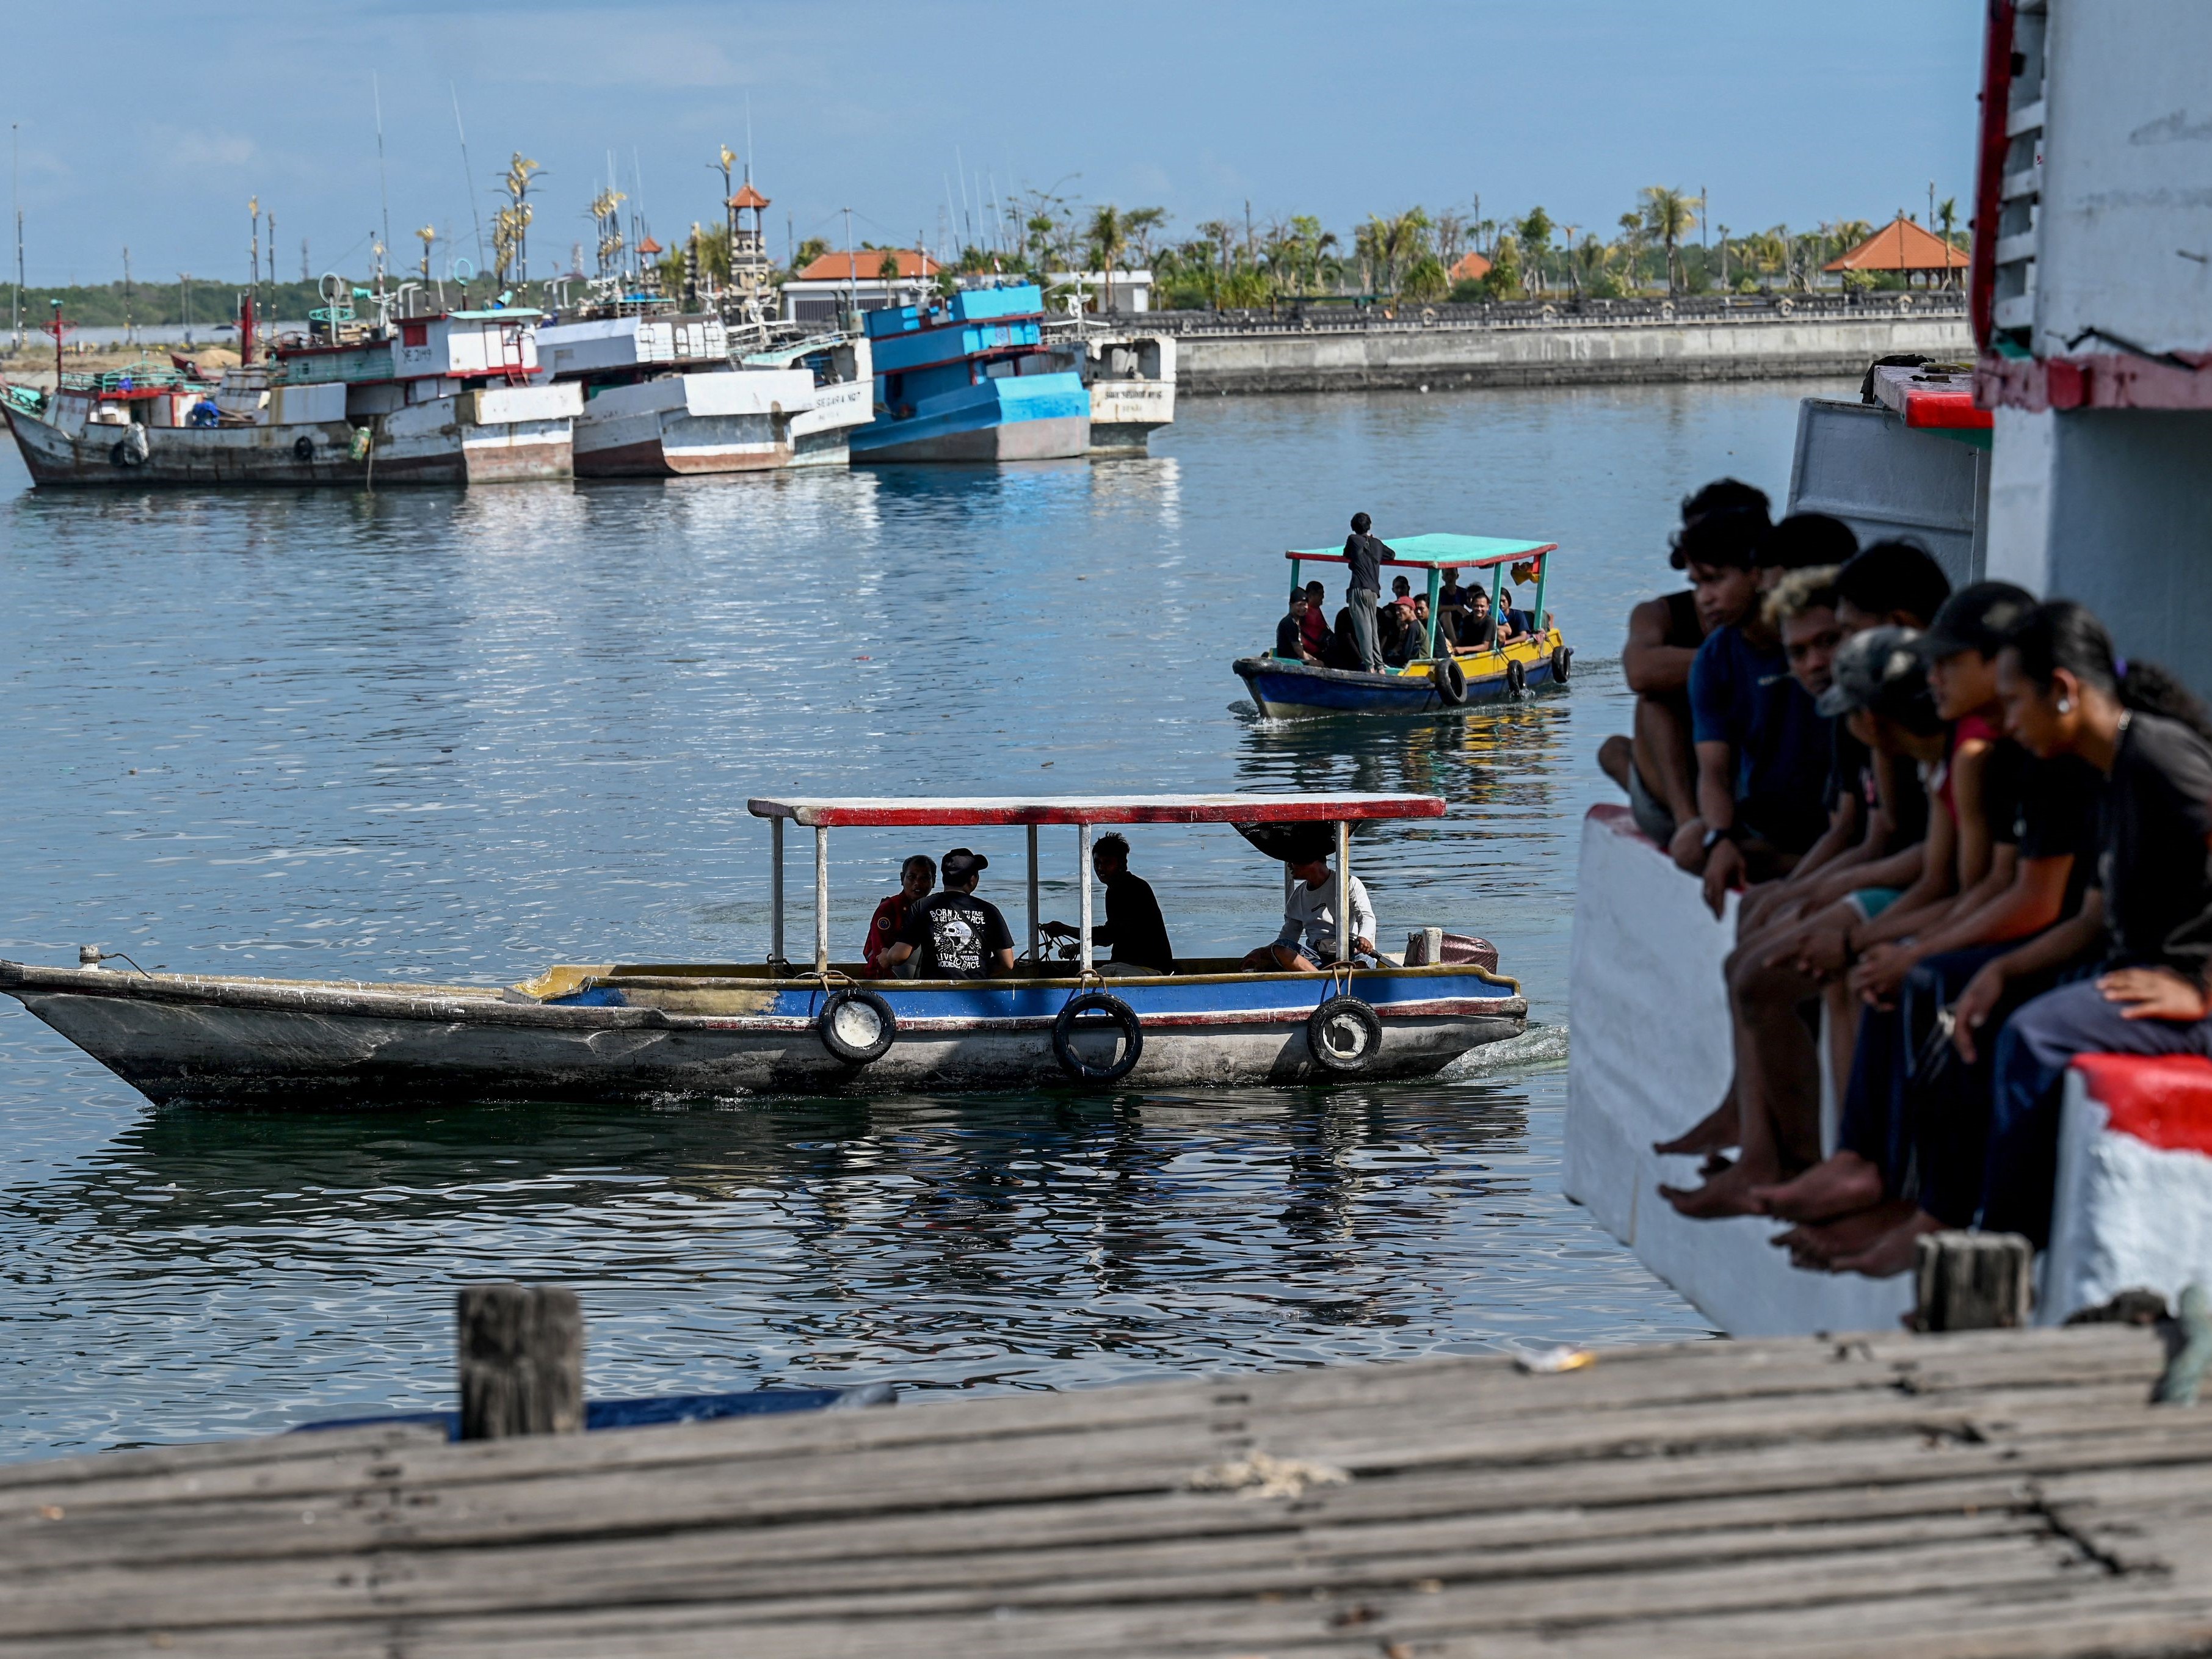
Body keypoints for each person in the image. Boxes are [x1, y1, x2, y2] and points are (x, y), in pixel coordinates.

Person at [1968, 602, 2212, 1250]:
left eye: (2014, 702)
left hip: (2193, 999)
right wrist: (1999, 968)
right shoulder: (2107, 768)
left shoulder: (2159, 755)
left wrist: (2203, 988)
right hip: (2137, 970)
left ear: (2062, 691)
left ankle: (2003, 1254)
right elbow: (2093, 918)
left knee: (2035, 1035)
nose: (2007, 723)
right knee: (1982, 1006)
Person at [1597, 480, 1774, 849]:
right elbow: (1641, 673)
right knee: (1655, 698)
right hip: (1682, 801)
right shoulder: (1663, 614)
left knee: (1615, 751)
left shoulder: (1781, 624)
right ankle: (1688, 822)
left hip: (1744, 781)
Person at [1674, 506, 1833, 902]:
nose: (1703, 598)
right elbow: (1714, 771)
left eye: (1714, 581)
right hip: (1770, 812)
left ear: (1756, 575)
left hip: (1830, 804)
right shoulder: (1714, 658)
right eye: (1696, 584)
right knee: (1691, 846)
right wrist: (1721, 836)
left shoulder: (1814, 642)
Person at [1040, 832, 1175, 976]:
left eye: (1108, 863)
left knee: (1084, 979)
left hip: (1148, 968)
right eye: (1097, 862)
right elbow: (1116, 933)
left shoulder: (1132, 889)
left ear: (1123, 864)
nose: (1100, 868)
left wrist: (1064, 929)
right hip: (1128, 965)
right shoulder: (1115, 889)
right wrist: (1078, 947)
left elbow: (1109, 935)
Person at [878, 848, 1016, 980]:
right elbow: (1007, 963)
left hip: (934, 991)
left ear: (943, 878)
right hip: (975, 992)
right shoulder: (989, 911)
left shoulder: (922, 906)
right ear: (973, 879)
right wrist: (979, 972)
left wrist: (886, 955)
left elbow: (898, 956)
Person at [1242, 851, 1379, 971]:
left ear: (1312, 862)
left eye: (1293, 860)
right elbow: (1287, 938)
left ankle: (1336, 981)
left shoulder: (1349, 883)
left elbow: (1366, 917)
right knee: (1281, 947)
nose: (1289, 865)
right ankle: (1317, 980)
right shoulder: (1298, 896)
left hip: (1351, 953)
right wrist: (1261, 952)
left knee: (1364, 961)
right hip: (1316, 957)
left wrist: (1364, 937)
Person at [859, 854, 936, 978]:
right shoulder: (888, 909)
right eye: (912, 877)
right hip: (883, 978)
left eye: (925, 878)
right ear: (902, 878)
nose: (917, 883)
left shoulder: (935, 910)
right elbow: (882, 957)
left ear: (934, 881)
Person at [1342, 511, 1389, 673]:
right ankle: (1380, 667)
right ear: (1369, 526)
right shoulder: (1377, 543)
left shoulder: (1353, 539)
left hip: (1359, 589)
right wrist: (1372, 542)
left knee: (1364, 630)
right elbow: (1391, 555)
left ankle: (1370, 668)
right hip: (1373, 592)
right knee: (1373, 629)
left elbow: (1346, 554)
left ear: (1353, 528)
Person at [1275, 589, 1321, 664]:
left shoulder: (1297, 622)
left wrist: (1313, 658)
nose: (1303, 608)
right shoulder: (1289, 622)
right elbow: (1299, 650)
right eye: (1299, 605)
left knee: (1319, 661)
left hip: (1295, 659)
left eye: (1305, 604)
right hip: (1288, 661)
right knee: (1319, 664)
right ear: (1291, 605)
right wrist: (1312, 661)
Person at [1436, 568, 1471, 649]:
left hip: (1459, 622)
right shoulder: (1440, 593)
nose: (1450, 577)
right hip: (1444, 625)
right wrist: (1456, 607)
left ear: (1457, 576)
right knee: (1446, 614)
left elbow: (1472, 605)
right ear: (1443, 578)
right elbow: (1437, 608)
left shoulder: (1462, 592)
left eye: (1452, 575)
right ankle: (1455, 643)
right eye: (1447, 575)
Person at [1300, 580, 1331, 657]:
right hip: (1313, 652)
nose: (1323, 597)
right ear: (1310, 595)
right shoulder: (1303, 611)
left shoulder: (1317, 609)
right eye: (1320, 594)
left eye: (1323, 594)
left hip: (1324, 648)